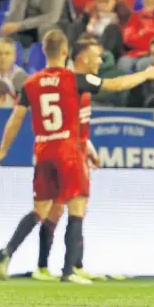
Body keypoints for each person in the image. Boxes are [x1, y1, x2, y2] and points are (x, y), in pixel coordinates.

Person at [0, 29, 154, 284]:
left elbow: (15, 119)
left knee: (40, 210)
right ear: (65, 52)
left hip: (42, 149)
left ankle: (7, 251)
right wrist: (147, 73)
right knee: (77, 207)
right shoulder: (75, 79)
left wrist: (3, 150)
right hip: (68, 149)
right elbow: (115, 85)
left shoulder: (31, 82)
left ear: (43, 51)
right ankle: (68, 271)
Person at [32, 37, 105, 282]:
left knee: (69, 208)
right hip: (66, 153)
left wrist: (89, 148)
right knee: (64, 208)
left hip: (72, 149)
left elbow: (80, 127)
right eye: (96, 55)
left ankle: (73, 264)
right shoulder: (73, 84)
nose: (101, 61)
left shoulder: (75, 85)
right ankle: (56, 267)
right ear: (82, 57)